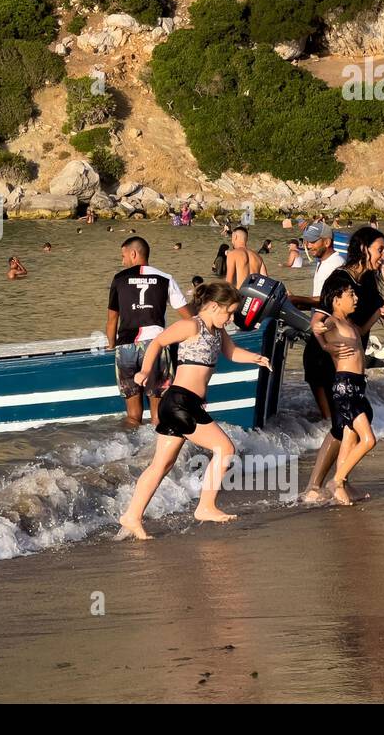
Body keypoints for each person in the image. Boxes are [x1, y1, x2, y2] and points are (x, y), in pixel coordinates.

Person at [116, 282, 271, 536]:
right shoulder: (192, 325)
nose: (231, 318)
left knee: (161, 465)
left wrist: (256, 358)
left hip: (180, 404)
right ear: (212, 306)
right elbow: (157, 342)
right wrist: (145, 371)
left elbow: (231, 353)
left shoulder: (218, 332)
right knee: (225, 448)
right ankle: (206, 506)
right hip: (181, 402)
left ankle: (132, 516)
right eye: (228, 312)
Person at [302, 228, 384, 502]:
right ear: (364, 248)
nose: (383, 255)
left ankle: (339, 482)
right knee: (340, 424)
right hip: (329, 355)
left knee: (349, 424)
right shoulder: (340, 278)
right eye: (380, 249)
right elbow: (319, 318)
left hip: (350, 356)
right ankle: (316, 485)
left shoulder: (368, 281)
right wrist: (326, 347)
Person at [105, 236, 193, 428]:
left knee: (133, 415)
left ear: (134, 254)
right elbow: (189, 317)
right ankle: (155, 453)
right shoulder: (165, 278)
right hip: (155, 345)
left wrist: (111, 345)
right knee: (158, 415)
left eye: (123, 256)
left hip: (126, 348)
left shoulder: (119, 279)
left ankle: (129, 450)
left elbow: (112, 320)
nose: (122, 261)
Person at [310, 281, 379, 507]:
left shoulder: (349, 324)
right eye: (351, 294)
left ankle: (342, 487)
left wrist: (379, 312)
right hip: (345, 386)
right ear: (336, 300)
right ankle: (336, 482)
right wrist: (322, 342)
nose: (356, 298)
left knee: (350, 439)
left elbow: (362, 331)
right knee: (368, 440)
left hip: (357, 385)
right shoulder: (333, 322)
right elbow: (317, 325)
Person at [287, 222, 346, 427]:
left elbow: (328, 300)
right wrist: (298, 301)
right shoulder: (324, 262)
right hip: (322, 323)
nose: (308, 245)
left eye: (312, 241)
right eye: (305, 241)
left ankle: (330, 420)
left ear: (327, 241)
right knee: (318, 373)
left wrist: (297, 300)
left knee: (317, 371)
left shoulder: (335, 263)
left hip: (328, 326)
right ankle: (331, 418)